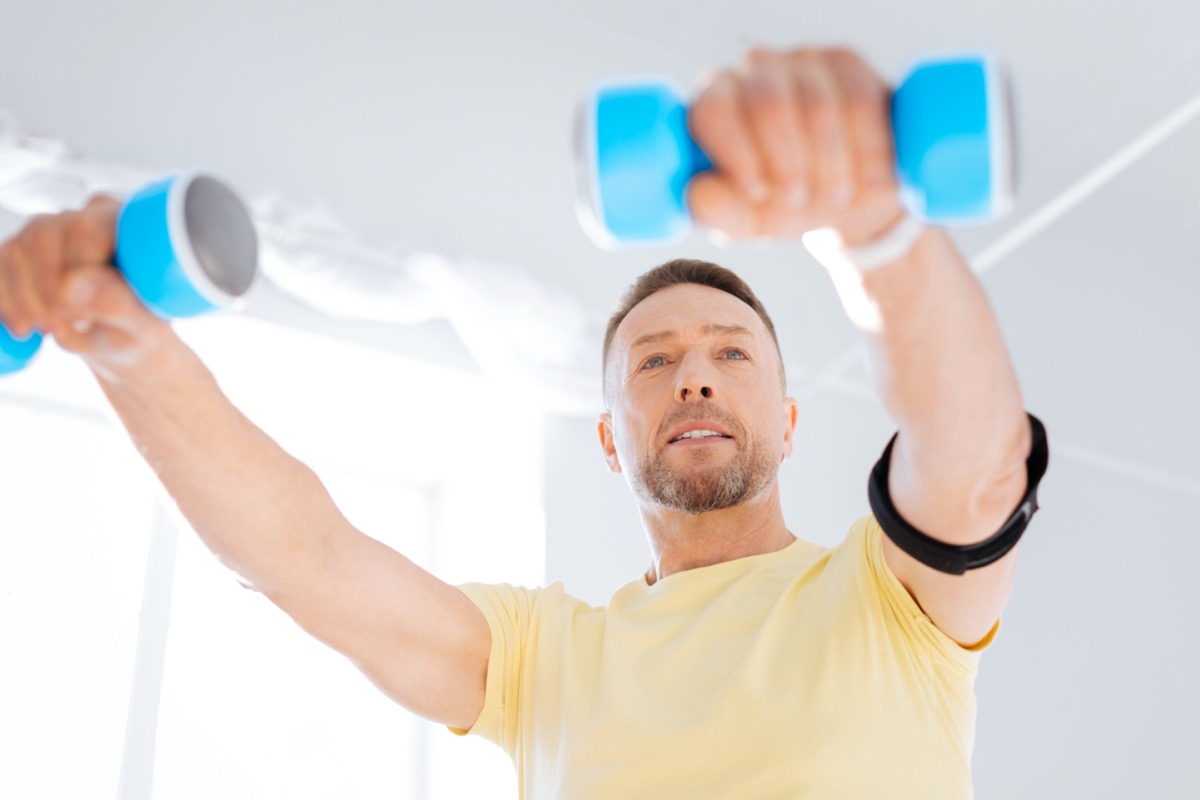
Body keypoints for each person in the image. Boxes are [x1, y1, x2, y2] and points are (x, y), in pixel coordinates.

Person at [0, 47, 1046, 798]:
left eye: (732, 354)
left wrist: (870, 220)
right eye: (655, 360)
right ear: (607, 435)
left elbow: (976, 464)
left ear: (787, 414)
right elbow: (304, 555)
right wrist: (124, 344)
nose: (694, 378)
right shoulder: (542, 658)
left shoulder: (886, 596)